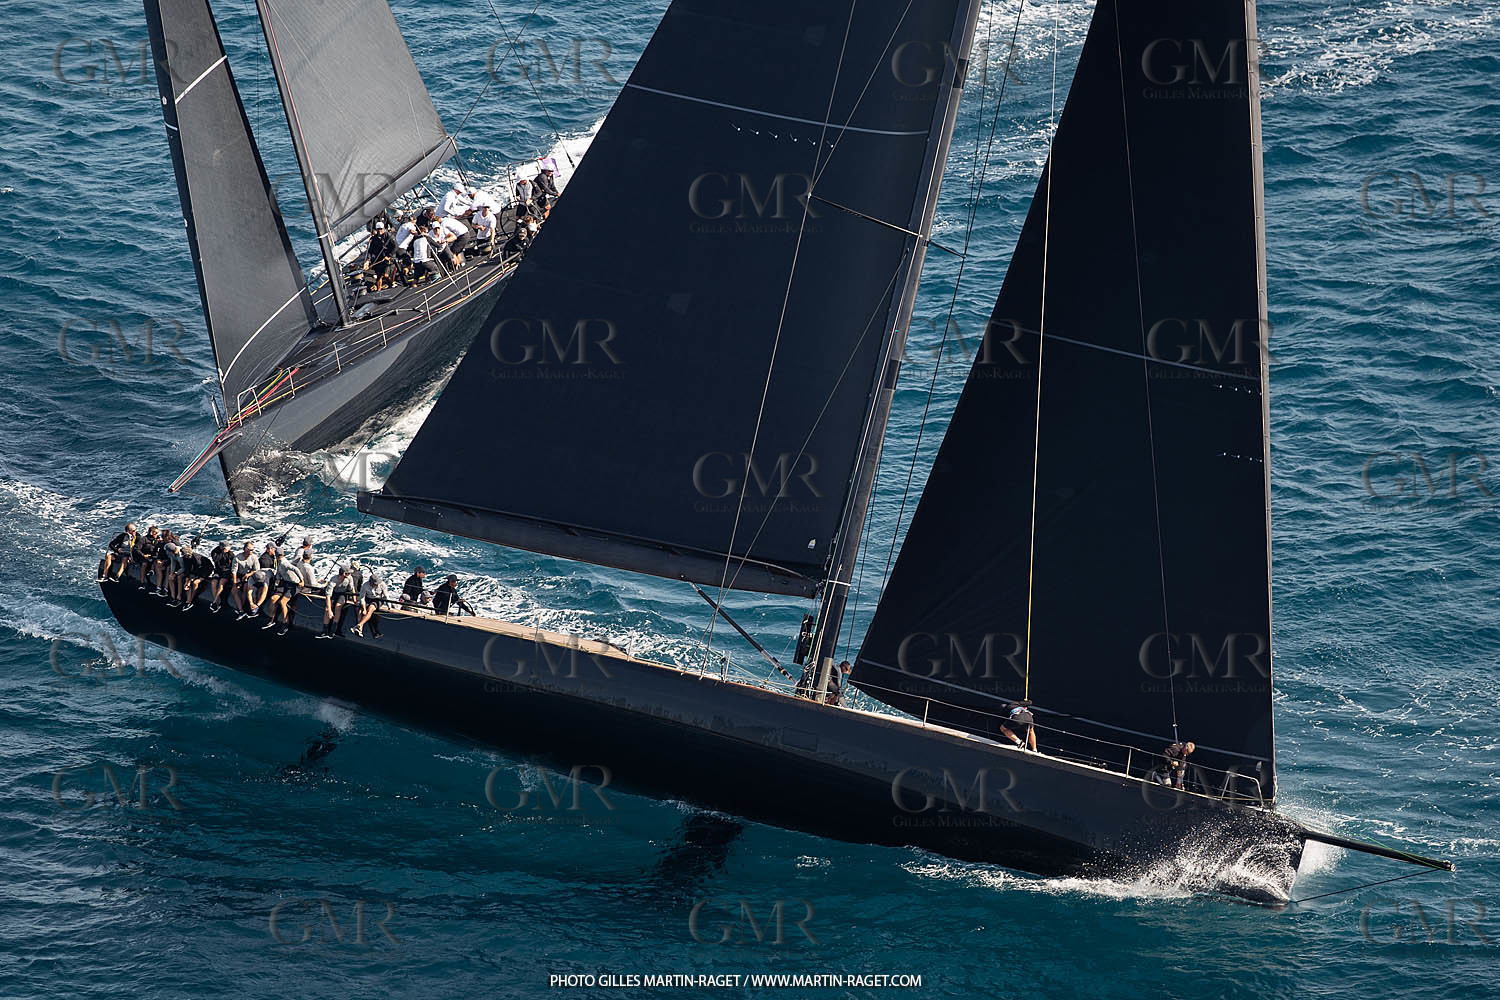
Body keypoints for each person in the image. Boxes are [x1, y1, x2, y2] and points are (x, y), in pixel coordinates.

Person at [267, 551, 305, 635]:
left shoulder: (284, 563)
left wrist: (301, 581)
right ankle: (272, 619)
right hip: (285, 583)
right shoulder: (279, 562)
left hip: (294, 586)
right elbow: (279, 573)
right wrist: (277, 579)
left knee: (282, 602)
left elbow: (295, 569)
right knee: (273, 598)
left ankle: (285, 623)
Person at [318, 566, 357, 639]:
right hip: (334, 593)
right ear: (344, 574)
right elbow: (328, 596)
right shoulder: (334, 580)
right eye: (348, 573)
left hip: (343, 594)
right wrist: (329, 611)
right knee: (327, 609)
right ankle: (324, 631)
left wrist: (355, 600)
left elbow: (352, 589)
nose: (349, 574)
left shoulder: (349, 578)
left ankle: (333, 630)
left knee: (338, 607)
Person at [244, 541, 279, 620]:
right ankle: (254, 608)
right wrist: (252, 603)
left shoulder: (272, 555)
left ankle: (256, 607)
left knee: (261, 590)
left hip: (266, 576)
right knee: (257, 592)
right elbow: (250, 592)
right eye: (273, 549)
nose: (275, 551)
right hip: (264, 579)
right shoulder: (264, 560)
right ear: (269, 550)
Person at [352, 570, 388, 638]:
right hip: (368, 599)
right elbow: (362, 598)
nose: (376, 584)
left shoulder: (382, 585)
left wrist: (389, 606)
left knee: (371, 609)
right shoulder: (365, 585)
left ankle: (359, 625)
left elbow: (386, 596)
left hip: (378, 600)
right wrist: (364, 609)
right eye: (374, 583)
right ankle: (359, 630)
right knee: (361, 610)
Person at [207, 540, 236, 612]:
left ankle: (215, 601)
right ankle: (216, 601)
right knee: (214, 582)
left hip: (227, 571)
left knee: (221, 583)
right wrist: (222, 552)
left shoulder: (231, 553)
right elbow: (216, 560)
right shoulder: (215, 552)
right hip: (218, 570)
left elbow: (234, 564)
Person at [232, 542, 259, 616]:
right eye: (250, 550)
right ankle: (240, 610)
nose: (251, 551)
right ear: (245, 549)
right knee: (234, 591)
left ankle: (243, 607)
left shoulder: (254, 558)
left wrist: (249, 574)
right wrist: (235, 584)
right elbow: (234, 571)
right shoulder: (237, 558)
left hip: (249, 575)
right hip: (239, 575)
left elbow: (256, 570)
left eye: (252, 550)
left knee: (245, 589)